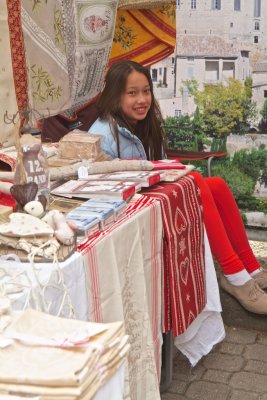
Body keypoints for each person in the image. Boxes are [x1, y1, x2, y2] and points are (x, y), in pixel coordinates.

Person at [88, 60, 267, 314]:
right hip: (129, 212)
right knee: (194, 180)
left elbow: (159, 168)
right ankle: (235, 277)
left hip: (150, 196)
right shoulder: (103, 134)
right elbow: (103, 189)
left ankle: (251, 267)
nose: (142, 100)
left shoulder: (144, 125)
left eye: (146, 91)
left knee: (215, 184)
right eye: (132, 93)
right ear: (115, 97)